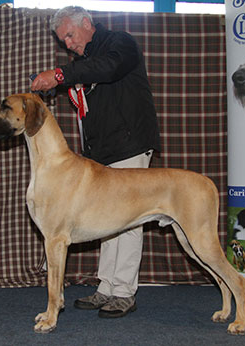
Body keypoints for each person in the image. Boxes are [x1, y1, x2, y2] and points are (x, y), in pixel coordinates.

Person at [31, 6, 161, 319]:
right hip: (102, 152)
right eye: (63, 40)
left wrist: (60, 75)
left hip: (129, 144)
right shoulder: (84, 62)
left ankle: (123, 292)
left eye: (70, 35)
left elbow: (111, 68)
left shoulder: (120, 43)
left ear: (87, 23)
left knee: (129, 221)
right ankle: (106, 287)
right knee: (107, 223)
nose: (68, 44)